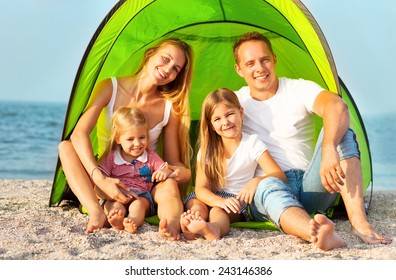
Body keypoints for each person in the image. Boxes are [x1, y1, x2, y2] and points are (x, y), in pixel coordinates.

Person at [232, 31, 391, 250]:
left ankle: (360, 224)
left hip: (310, 185)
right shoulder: (235, 103)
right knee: (268, 186)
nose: (259, 68)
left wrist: (328, 149)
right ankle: (315, 232)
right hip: (268, 187)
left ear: (274, 60)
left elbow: (337, 106)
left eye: (264, 59)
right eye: (250, 63)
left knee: (341, 132)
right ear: (239, 69)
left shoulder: (298, 88)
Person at [58, 38, 193, 240]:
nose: (167, 69)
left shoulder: (169, 107)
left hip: (144, 182)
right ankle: (96, 212)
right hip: (108, 174)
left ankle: (170, 224)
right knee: (65, 147)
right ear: (150, 54)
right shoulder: (110, 87)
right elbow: (79, 133)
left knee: (170, 186)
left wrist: (177, 173)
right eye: (165, 59)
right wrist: (100, 179)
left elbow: (174, 163)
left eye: (175, 68)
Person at [180, 88, 286, 240]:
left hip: (236, 200)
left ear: (241, 113)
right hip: (212, 196)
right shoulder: (207, 150)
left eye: (229, 114)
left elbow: (279, 175)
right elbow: (201, 188)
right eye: (217, 119)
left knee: (217, 211)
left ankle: (213, 229)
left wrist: (256, 181)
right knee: (195, 204)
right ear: (211, 125)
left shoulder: (252, 143)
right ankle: (192, 224)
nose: (225, 122)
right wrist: (218, 200)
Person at [97, 107, 172, 233]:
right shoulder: (111, 156)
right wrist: (114, 193)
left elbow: (166, 169)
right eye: (130, 139)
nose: (137, 143)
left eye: (142, 137)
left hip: (141, 195)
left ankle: (132, 222)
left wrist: (164, 172)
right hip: (117, 194)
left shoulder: (150, 156)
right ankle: (117, 219)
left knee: (138, 205)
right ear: (118, 139)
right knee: (114, 206)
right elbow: (102, 179)